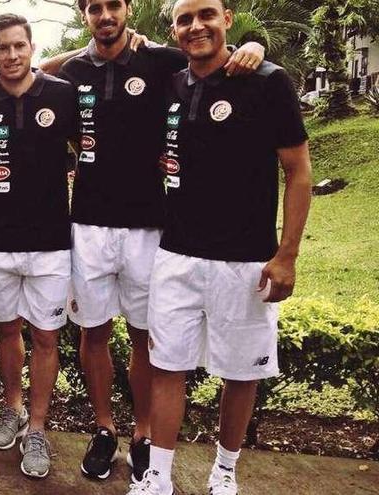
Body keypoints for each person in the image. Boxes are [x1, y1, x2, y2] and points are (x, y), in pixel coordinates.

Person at [38, 0, 264, 482]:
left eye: (113, 6)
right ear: (84, 14)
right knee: (92, 332)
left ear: (128, 8)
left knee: (146, 336)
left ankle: (142, 433)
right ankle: (103, 429)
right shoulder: (74, 69)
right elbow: (36, 70)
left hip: (150, 224)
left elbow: (215, 55)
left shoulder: (161, 60)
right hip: (90, 225)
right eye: (94, 8)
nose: (105, 15)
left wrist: (253, 44)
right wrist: (86, 49)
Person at [128, 0, 312, 493]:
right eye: (184, 19)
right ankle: (158, 478)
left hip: (246, 259)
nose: (196, 26)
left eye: (206, 14)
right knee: (167, 366)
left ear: (227, 19)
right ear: (173, 30)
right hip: (176, 255)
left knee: (239, 373)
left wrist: (287, 255)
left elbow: (298, 172)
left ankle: (225, 469)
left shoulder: (268, 81)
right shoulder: (170, 79)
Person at [0, 14, 77, 479]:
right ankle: (11, 410)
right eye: (2, 49)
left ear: (31, 48)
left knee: (46, 336)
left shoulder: (60, 95)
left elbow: (86, 149)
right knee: (6, 331)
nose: (11, 56)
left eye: (19, 47)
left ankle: (36, 427)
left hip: (52, 242)